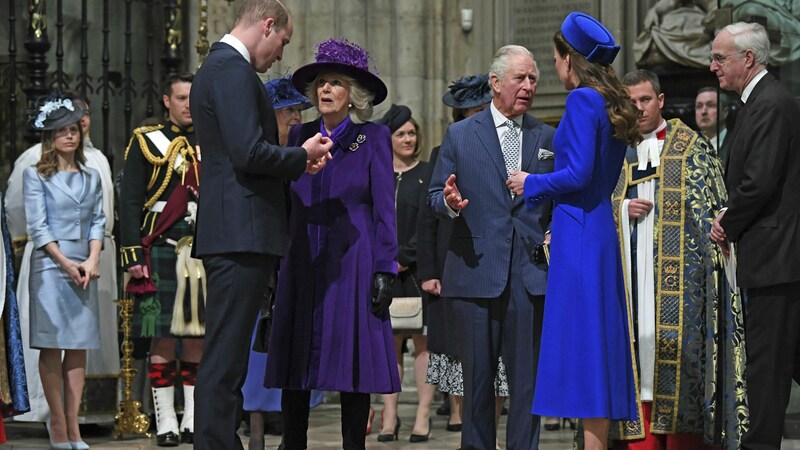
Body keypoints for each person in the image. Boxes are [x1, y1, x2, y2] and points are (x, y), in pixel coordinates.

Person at [189, 0, 332, 448]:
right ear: (267, 26)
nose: (279, 55)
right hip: (239, 231)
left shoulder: (219, 67)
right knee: (224, 359)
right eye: (282, 42)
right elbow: (248, 152)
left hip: (236, 228)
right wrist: (301, 155)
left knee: (226, 357)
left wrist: (293, 161)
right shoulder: (232, 70)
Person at [506, 13, 639, 450]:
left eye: (556, 58)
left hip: (579, 232)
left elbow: (578, 172)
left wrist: (532, 183)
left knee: (582, 347)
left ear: (570, 60)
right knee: (594, 347)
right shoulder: (607, 101)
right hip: (596, 227)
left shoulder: (583, 100)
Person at [263, 37, 399, 450]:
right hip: (301, 260)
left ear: (353, 95)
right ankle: (293, 444)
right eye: (321, 81)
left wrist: (384, 268)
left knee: (353, 367)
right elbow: (283, 199)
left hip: (353, 263)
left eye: (335, 82)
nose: (325, 89)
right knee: (295, 362)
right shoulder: (299, 135)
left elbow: (383, 210)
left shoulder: (372, 137)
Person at [428, 45, 555, 450]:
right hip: (476, 271)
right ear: (496, 83)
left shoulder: (547, 137)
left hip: (530, 276)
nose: (529, 86)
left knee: (527, 387)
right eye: (520, 78)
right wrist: (447, 202)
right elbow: (435, 193)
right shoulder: (461, 135)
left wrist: (555, 231)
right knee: (478, 386)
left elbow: (559, 199)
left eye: (533, 78)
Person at [613, 69, 745, 450]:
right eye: (630, 102)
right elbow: (595, 208)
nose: (638, 109)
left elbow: (712, 211)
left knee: (680, 369)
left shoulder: (693, 148)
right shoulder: (613, 149)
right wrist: (621, 209)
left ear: (661, 100)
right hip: (630, 283)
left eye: (645, 100)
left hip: (680, 293)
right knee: (634, 360)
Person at [710, 21, 800, 450]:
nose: (713, 67)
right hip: (772, 255)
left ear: (748, 59)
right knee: (785, 357)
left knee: (767, 365)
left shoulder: (769, 104)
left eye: (719, 58)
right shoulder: (756, 103)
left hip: (775, 257)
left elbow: (758, 183)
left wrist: (725, 223)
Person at [6, 92, 118, 427]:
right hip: (50, 259)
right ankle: (49, 414)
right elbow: (16, 207)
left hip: (93, 259)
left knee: (87, 341)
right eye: (67, 123)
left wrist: (94, 254)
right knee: (51, 339)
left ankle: (89, 414)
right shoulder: (32, 161)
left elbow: (102, 213)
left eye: (81, 118)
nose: (76, 128)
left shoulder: (96, 162)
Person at [419, 74, 509, 441]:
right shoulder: (447, 150)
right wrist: (429, 271)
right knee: (463, 356)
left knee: (500, 363)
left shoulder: (510, 146)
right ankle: (466, 427)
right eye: (470, 112)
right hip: (459, 261)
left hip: (501, 262)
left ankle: (492, 432)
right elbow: (429, 215)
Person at [120, 72, 203, 447]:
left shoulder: (213, 141)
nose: (188, 105)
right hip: (161, 250)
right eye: (181, 98)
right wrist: (133, 253)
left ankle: (193, 418)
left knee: (198, 337)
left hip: (202, 251)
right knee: (163, 338)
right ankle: (166, 420)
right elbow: (130, 201)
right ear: (167, 101)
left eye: (193, 97)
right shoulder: (146, 141)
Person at [240, 75, 322, 450]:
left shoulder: (300, 151)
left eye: (296, 111)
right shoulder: (261, 152)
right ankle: (253, 433)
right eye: (288, 110)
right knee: (256, 358)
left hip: (293, 263)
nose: (294, 118)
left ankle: (287, 437)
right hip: (263, 269)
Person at [23, 95, 106, 450]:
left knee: (78, 346)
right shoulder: (35, 175)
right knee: (53, 345)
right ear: (50, 138)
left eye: (73, 130)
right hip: (51, 267)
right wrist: (66, 263)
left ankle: (74, 427)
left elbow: (98, 221)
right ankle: (57, 422)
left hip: (84, 267)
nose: (70, 137)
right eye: (62, 132)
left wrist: (92, 260)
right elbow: (38, 228)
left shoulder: (91, 176)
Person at [372, 104, 434, 443]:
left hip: (417, 269)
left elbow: (430, 221)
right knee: (388, 343)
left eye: (412, 133)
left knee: (423, 343)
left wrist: (405, 256)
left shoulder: (426, 173)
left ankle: (423, 414)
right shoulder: (377, 173)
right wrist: (385, 257)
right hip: (383, 270)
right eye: (401, 134)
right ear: (389, 138)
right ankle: (390, 414)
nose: (408, 138)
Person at [694, 86, 730, 162]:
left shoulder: (737, 144)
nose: (703, 111)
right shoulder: (688, 146)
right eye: (699, 106)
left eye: (710, 105)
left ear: (725, 112)